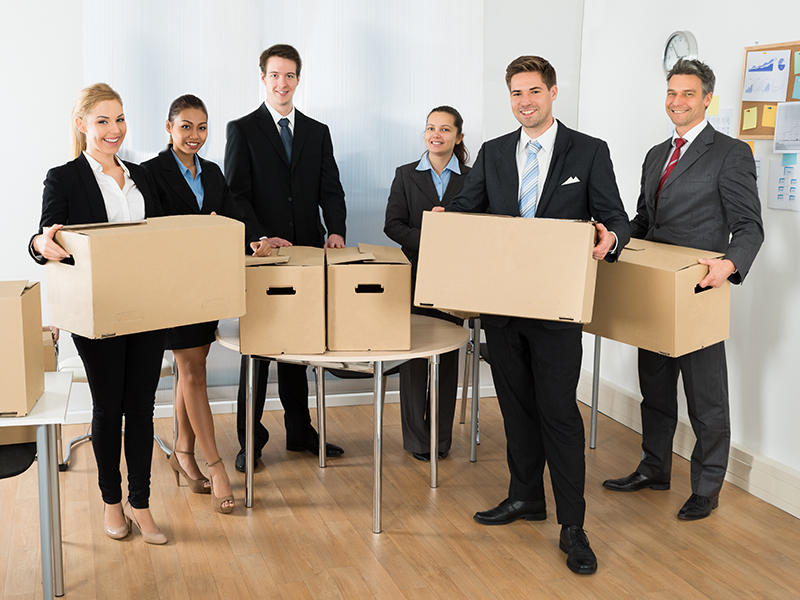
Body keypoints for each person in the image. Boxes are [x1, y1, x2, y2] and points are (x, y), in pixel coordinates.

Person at [437, 56, 630, 575]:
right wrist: (446, 219)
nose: (525, 102)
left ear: (553, 92)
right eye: (517, 93)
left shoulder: (588, 151)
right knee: (517, 408)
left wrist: (611, 238)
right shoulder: (496, 153)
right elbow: (468, 208)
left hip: (557, 311)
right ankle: (525, 498)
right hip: (503, 309)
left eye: (534, 92)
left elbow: (616, 217)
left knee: (559, 414)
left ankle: (573, 525)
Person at [602, 59, 764, 520]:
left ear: (707, 98)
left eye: (688, 94)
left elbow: (749, 228)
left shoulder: (730, 153)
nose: (677, 101)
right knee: (654, 389)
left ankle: (707, 486)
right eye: (672, 93)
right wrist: (614, 237)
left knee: (706, 399)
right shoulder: (656, 154)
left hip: (699, 291)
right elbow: (644, 222)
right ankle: (654, 468)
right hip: (654, 291)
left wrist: (729, 266)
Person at [29, 83, 168, 544]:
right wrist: (38, 245)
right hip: (97, 311)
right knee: (109, 407)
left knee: (142, 409)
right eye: (103, 120)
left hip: (147, 308)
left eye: (120, 119)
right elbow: (46, 237)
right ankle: (113, 503)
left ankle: (142, 504)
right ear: (81, 124)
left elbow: (163, 234)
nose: (114, 130)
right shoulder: (64, 178)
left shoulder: (142, 175)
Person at [142, 95, 271, 514]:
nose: (194, 135)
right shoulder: (150, 173)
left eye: (201, 127)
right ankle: (215, 466)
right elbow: (154, 229)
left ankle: (183, 451)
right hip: (174, 289)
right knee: (193, 371)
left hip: (207, 287)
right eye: (185, 127)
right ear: (168, 127)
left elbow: (233, 220)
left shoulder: (213, 172)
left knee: (190, 366)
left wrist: (254, 240)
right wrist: (205, 228)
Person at [224, 44, 348, 472]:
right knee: (258, 350)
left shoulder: (317, 131)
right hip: (262, 257)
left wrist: (335, 230)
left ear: (299, 79)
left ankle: (301, 432)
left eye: (290, 75)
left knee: (300, 346)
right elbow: (235, 194)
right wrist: (259, 237)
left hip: (310, 254)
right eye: (275, 75)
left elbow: (330, 188)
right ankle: (250, 442)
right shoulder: (242, 129)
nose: (282, 83)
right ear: (263, 78)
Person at [384, 106, 471, 461]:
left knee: (447, 358)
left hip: (455, 280)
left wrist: (450, 234)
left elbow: (483, 223)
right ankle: (418, 441)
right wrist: (430, 235)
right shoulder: (405, 175)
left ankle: (441, 439)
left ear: (458, 137)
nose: (436, 135)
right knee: (414, 359)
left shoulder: (473, 176)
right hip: (415, 277)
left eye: (445, 129)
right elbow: (393, 225)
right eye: (431, 128)